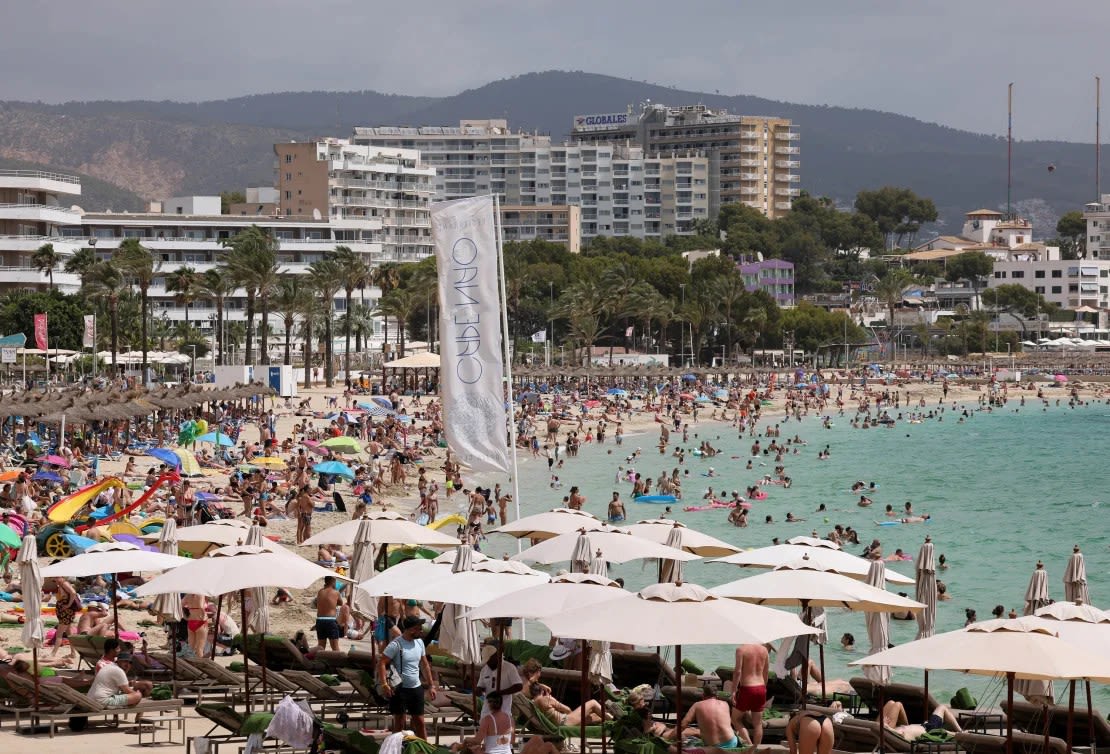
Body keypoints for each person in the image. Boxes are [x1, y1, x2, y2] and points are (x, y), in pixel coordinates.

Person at [379, 616, 438, 739]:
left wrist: (431, 685)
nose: (421, 631)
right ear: (411, 630)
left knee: (420, 722)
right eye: (419, 629)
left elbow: (425, 664)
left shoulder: (420, 642)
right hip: (399, 689)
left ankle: (424, 750)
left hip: (416, 688)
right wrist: (384, 684)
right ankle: (394, 750)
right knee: (399, 723)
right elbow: (382, 663)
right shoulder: (396, 644)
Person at [678, 685, 742, 748]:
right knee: (695, 731)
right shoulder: (725, 704)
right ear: (716, 696)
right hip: (732, 742)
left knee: (691, 731)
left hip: (714, 746)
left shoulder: (697, 705)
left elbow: (683, 724)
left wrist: (671, 738)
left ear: (703, 695)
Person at [732, 643, 769, 748]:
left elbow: (737, 672)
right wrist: (764, 688)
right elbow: (766, 672)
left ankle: (749, 745)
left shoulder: (741, 649)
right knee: (758, 723)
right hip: (761, 687)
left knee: (735, 719)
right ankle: (755, 748)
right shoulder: (764, 650)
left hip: (747, 688)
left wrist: (734, 691)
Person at [477, 644, 523, 719]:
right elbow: (481, 685)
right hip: (487, 709)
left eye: (489, 660)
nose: (488, 663)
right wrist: (478, 690)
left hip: (503, 709)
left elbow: (519, 686)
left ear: (496, 656)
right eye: (487, 661)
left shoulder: (509, 667)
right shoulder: (484, 669)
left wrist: (500, 693)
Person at [529, 683, 608, 726]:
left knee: (593, 716)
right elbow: (567, 709)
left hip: (558, 723)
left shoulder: (532, 702)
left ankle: (609, 718)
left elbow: (531, 683)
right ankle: (614, 720)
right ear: (542, 691)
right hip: (565, 722)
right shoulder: (546, 699)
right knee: (593, 703)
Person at [882, 700, 962, 740]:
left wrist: (887, 726)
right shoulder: (895, 734)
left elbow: (899, 734)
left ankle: (961, 732)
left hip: (924, 726)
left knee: (891, 703)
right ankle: (961, 731)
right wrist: (887, 727)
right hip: (929, 729)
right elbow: (901, 735)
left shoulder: (893, 731)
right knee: (942, 707)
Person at [314, 575, 344, 651]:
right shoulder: (336, 592)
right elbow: (340, 603)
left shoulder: (320, 591)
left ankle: (320, 662)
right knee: (335, 647)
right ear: (332, 582)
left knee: (321, 646)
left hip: (320, 620)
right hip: (330, 621)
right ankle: (338, 662)